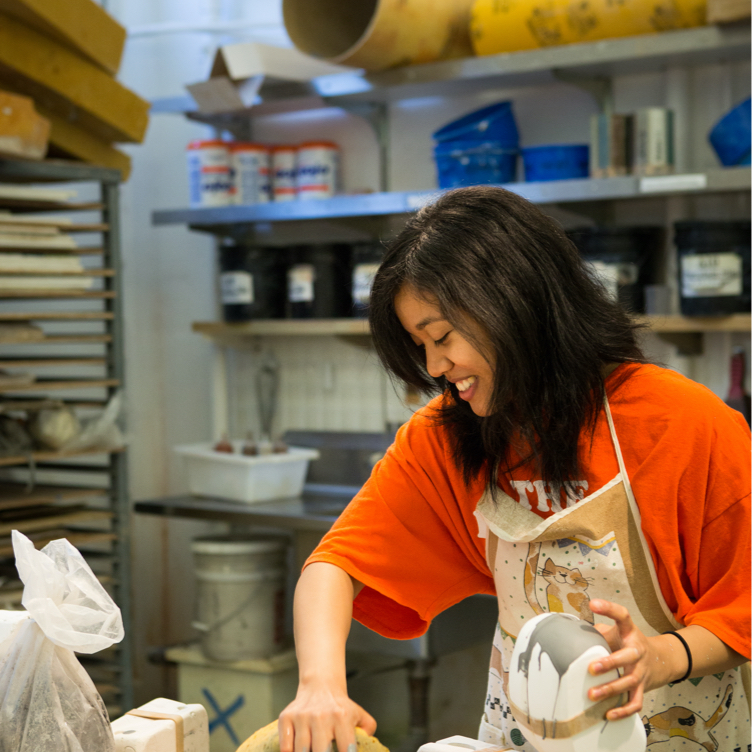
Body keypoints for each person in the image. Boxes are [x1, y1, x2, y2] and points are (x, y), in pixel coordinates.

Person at [278, 186, 751, 752]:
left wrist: (661, 655)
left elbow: (743, 601)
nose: (434, 367)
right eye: (420, 346)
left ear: (513, 303)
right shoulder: (447, 434)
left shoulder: (683, 423)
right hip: (521, 737)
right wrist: (320, 686)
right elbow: (332, 566)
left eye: (441, 337)